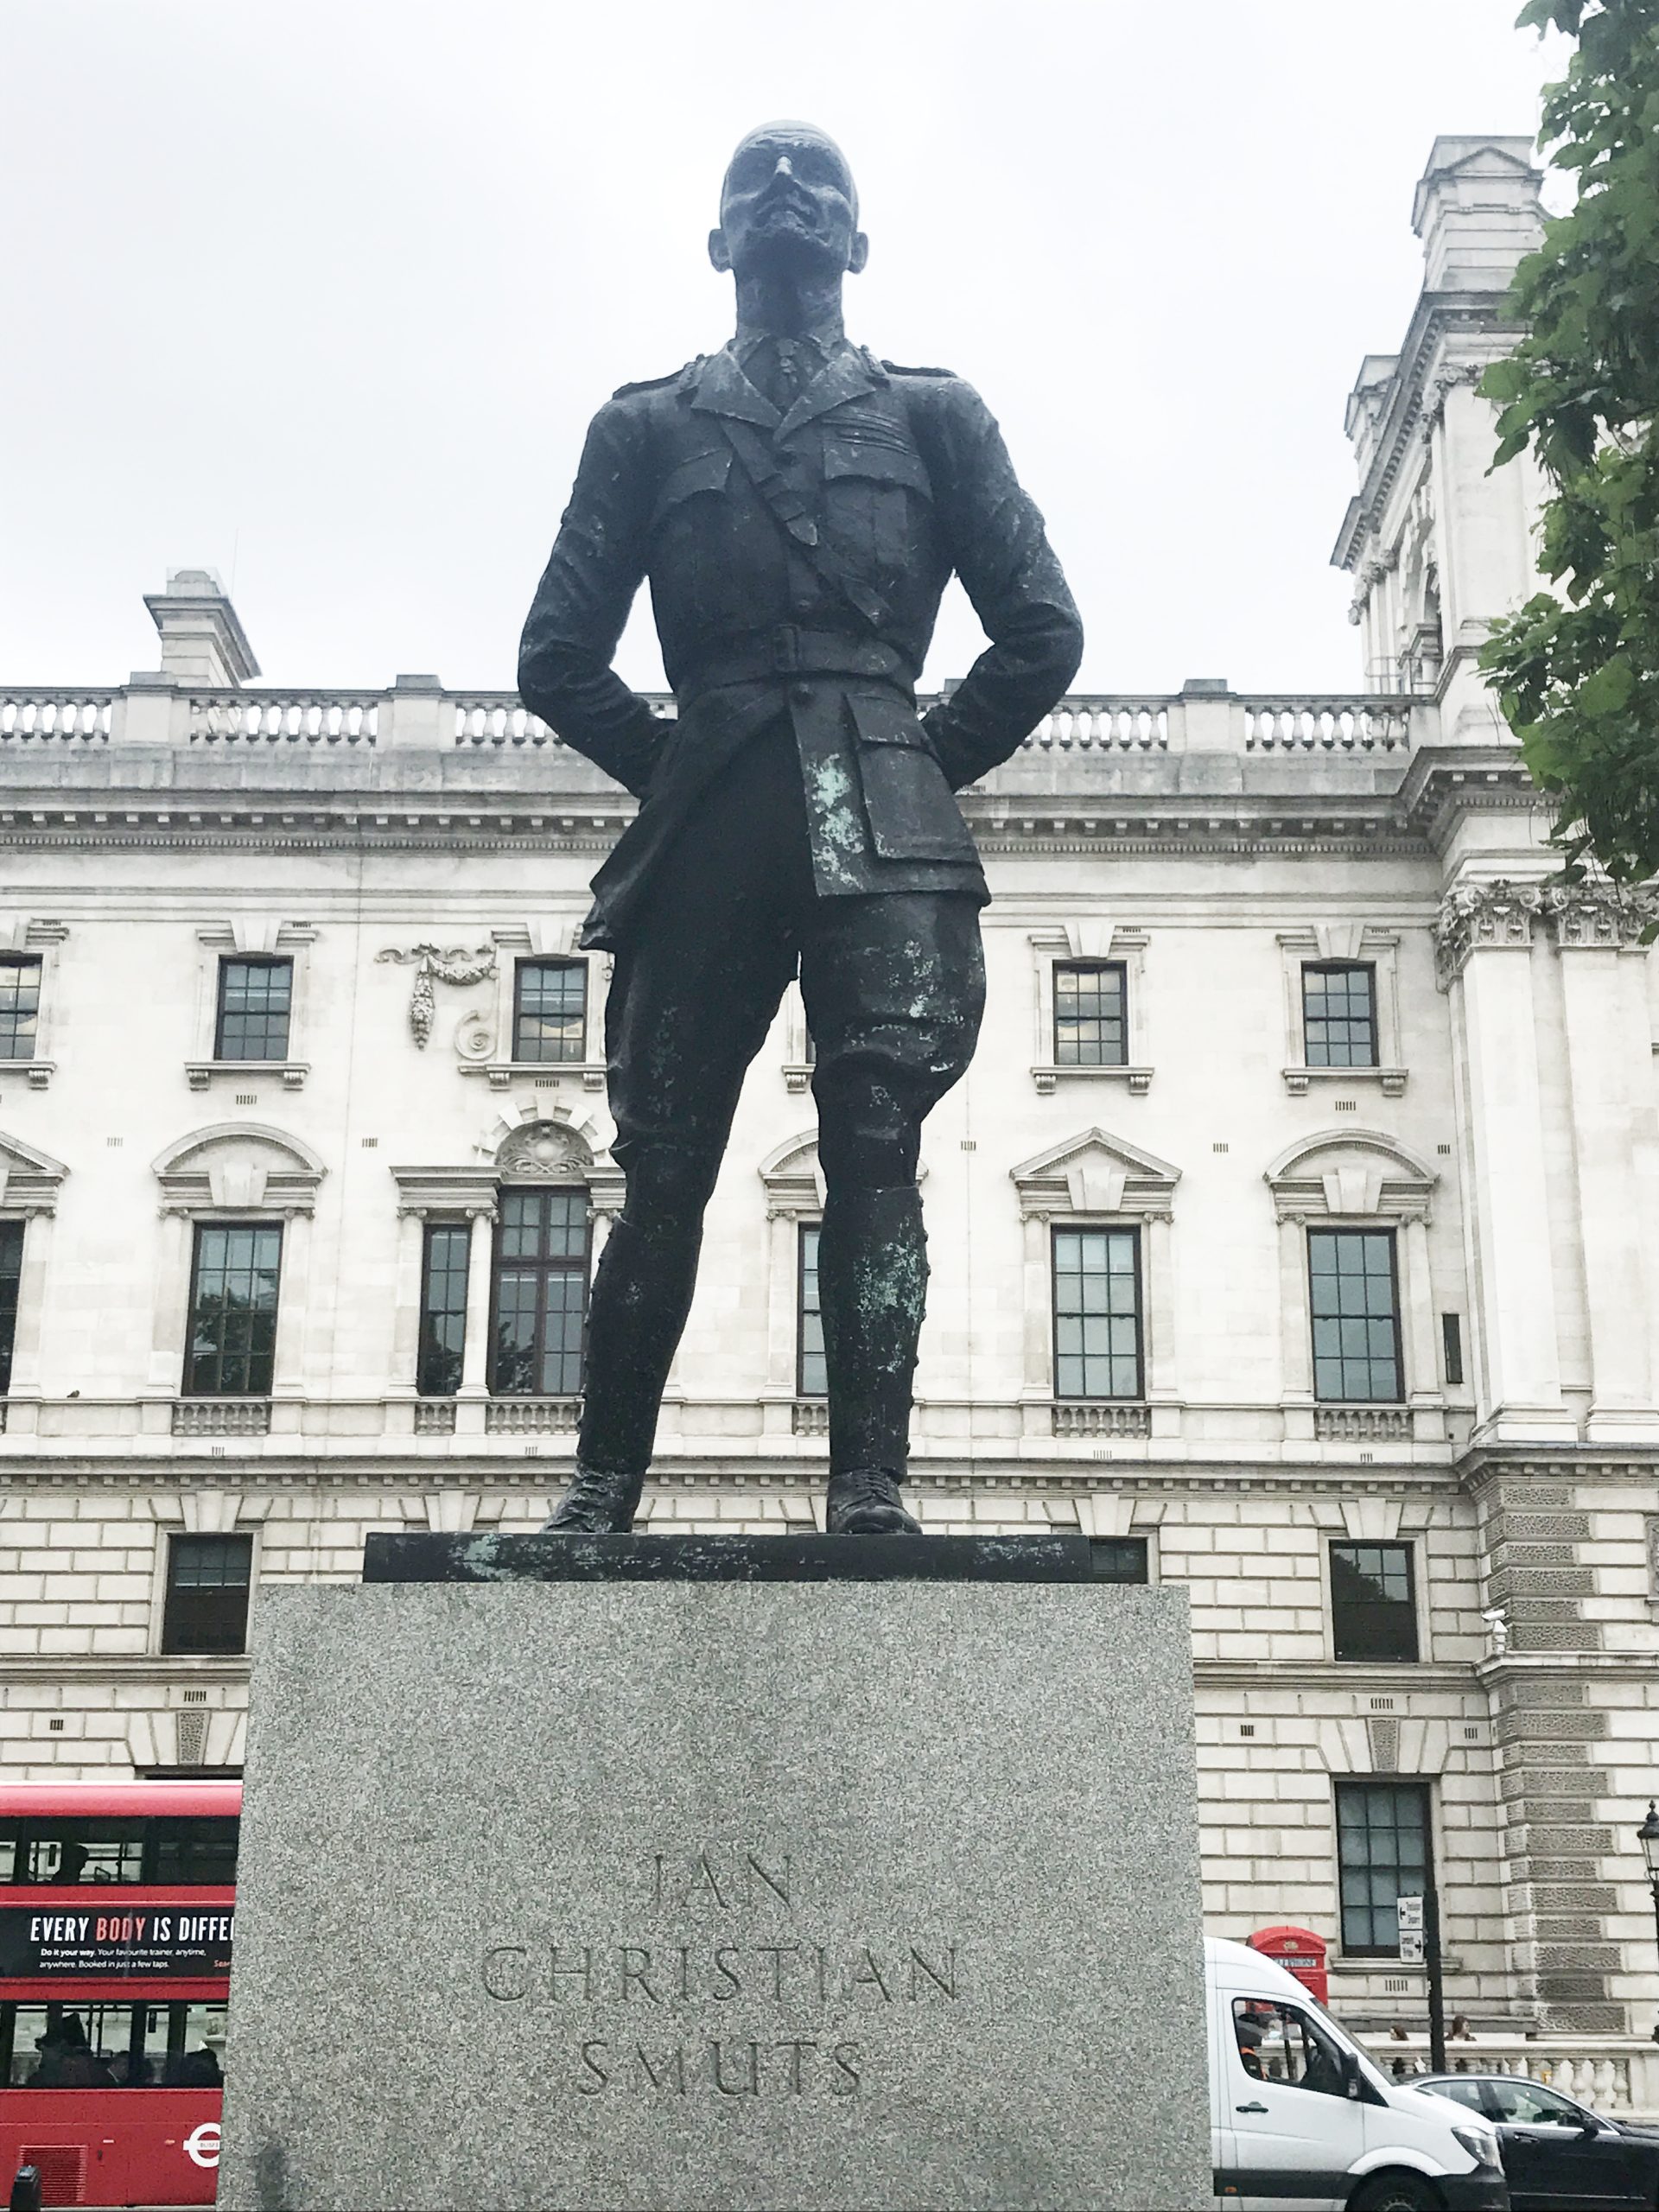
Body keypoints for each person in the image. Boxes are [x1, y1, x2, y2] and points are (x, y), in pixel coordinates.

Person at [519, 121, 1082, 1536]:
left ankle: (869, 1488)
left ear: (856, 242)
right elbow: (555, 655)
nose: (787, 196)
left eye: (818, 185)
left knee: (875, 1150)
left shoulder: (936, 416)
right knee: (661, 1167)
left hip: (884, 831)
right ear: (719, 241)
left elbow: (1042, 629)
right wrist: (677, 768)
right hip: (709, 821)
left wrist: (914, 762)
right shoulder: (645, 427)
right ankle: (600, 1488)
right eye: (756, 187)